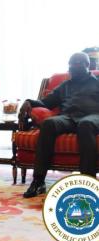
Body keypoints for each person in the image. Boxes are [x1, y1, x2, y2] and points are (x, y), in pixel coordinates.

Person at [19, 52, 99, 198]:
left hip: (93, 117)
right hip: (68, 117)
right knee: (49, 123)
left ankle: (88, 183)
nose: (74, 66)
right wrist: (29, 102)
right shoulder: (65, 85)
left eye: (78, 63)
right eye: (71, 63)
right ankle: (38, 181)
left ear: (88, 65)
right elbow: (47, 102)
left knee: (85, 125)